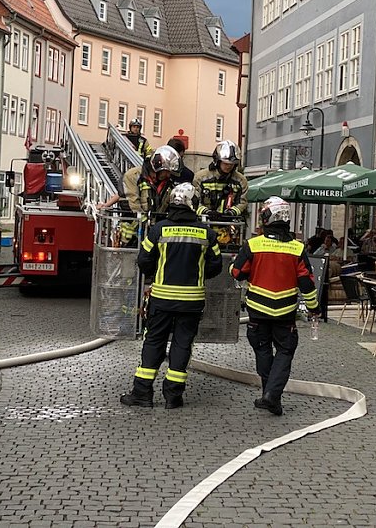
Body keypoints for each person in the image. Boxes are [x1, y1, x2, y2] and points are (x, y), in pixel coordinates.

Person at [120, 183, 223, 409]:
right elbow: (216, 266)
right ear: (194, 204)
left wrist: (158, 273)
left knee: (154, 342)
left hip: (162, 298)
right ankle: (173, 396)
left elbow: (143, 260)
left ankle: (142, 393)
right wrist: (197, 273)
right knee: (182, 344)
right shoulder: (208, 233)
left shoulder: (159, 230)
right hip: (192, 301)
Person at [230, 196, 318, 416]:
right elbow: (306, 281)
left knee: (262, 349)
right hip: (285, 313)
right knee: (285, 350)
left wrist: (238, 264)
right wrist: (314, 308)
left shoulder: (253, 245)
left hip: (258, 310)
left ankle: (270, 395)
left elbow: (237, 272)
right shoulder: (297, 248)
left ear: (268, 217)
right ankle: (271, 396)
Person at [193, 140, 248, 220]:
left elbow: (242, 202)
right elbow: (194, 201)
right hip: (204, 224)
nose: (229, 166)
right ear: (217, 161)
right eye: (225, 163)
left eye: (231, 164)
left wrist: (231, 212)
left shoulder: (240, 180)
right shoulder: (201, 178)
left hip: (228, 224)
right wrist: (206, 212)